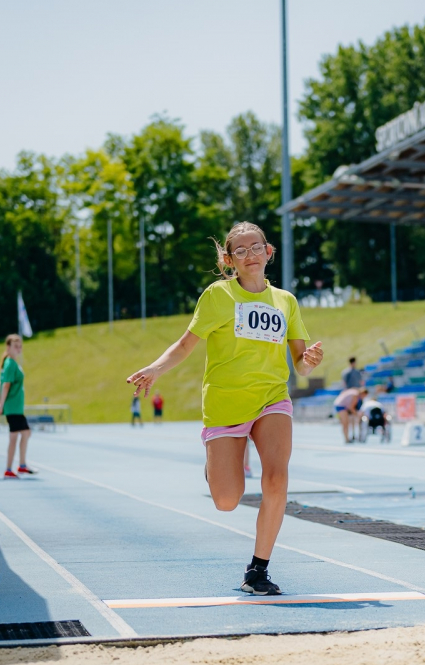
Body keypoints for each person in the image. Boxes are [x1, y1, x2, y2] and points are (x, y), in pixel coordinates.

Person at [126, 220, 323, 596]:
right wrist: (154, 369)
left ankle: (257, 570)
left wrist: (309, 361)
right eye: (241, 251)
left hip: (271, 398)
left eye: (256, 247)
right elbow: (185, 345)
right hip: (225, 404)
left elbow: (300, 364)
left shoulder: (286, 301)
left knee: (276, 479)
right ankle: (215, 463)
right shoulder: (218, 296)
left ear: (268, 252)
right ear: (229, 260)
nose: (250, 255)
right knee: (227, 500)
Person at [0, 334, 35, 478]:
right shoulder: (10, 363)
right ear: (8, 347)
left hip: (15, 407)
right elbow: (5, 385)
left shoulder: (10, 363)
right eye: (15, 346)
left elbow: (0, 383)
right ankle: (10, 468)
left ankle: (20, 465)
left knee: (24, 433)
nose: (18, 349)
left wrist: (0, 403)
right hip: (13, 407)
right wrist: (1, 405)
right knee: (16, 436)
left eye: (20, 346)